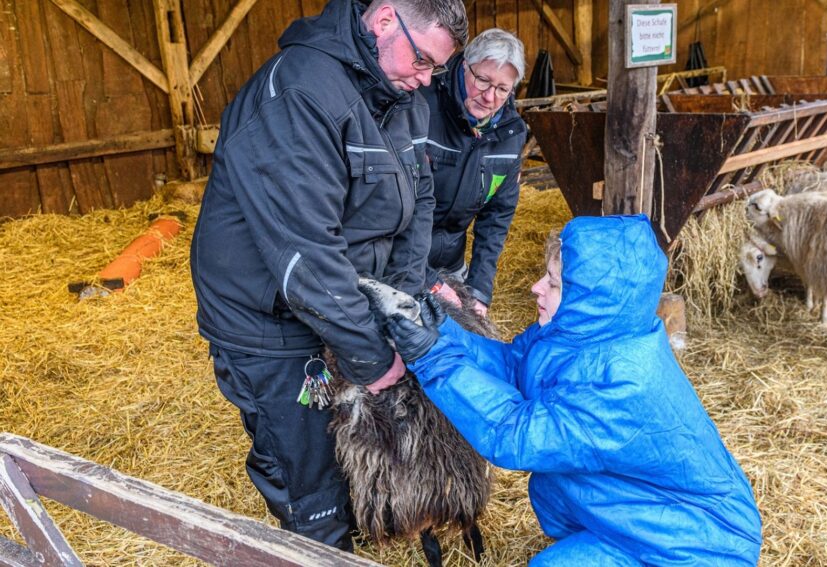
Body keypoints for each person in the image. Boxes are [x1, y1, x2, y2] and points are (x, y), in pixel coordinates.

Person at [189, 0, 467, 550]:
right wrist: (372, 358)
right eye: (422, 61)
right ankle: (323, 545)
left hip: (341, 303)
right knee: (308, 474)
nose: (425, 79)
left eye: (436, 69)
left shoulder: (400, 93)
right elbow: (307, 254)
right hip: (271, 321)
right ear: (385, 19)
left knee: (357, 446)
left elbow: (421, 196)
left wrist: (404, 300)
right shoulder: (300, 92)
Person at [387, 215, 763, 565]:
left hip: (698, 548)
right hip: (639, 524)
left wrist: (431, 358)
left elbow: (512, 434)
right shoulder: (581, 336)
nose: (536, 288)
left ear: (590, 298)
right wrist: (444, 333)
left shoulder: (622, 380)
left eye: (552, 283)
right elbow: (513, 366)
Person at [421, 28, 528, 316]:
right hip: (399, 262)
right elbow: (392, 206)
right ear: (465, 64)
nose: (490, 97)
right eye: (482, 80)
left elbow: (496, 217)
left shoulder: (510, 135)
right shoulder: (421, 108)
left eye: (503, 89)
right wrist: (424, 279)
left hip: (451, 262)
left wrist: (478, 290)